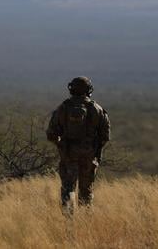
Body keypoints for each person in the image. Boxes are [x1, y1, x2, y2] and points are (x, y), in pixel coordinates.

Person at [46, 76, 110, 210]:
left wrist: (61, 145)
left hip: (68, 154)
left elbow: (51, 134)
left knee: (68, 188)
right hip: (89, 154)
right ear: (89, 90)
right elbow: (105, 136)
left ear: (72, 89)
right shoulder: (97, 109)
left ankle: (69, 218)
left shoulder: (63, 108)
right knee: (86, 190)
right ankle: (85, 219)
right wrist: (94, 149)